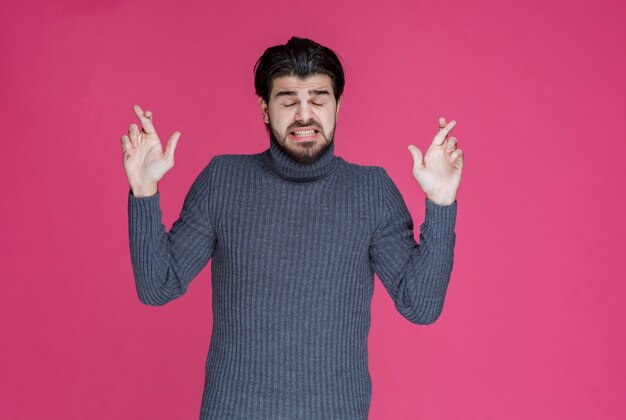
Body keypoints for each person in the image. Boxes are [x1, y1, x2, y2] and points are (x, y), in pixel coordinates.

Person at [121, 36, 463, 420]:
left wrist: (441, 202)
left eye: (319, 100)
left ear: (338, 106)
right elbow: (157, 286)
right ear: (265, 109)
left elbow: (421, 306)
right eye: (288, 101)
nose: (305, 115)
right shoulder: (223, 180)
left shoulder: (371, 191)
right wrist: (144, 189)